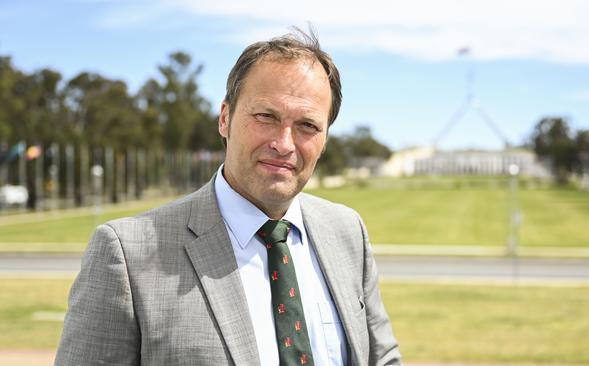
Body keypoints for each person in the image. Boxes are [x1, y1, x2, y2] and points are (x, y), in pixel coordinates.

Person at [55, 27, 401, 366]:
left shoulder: (347, 232)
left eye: (307, 126)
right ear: (225, 118)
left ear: (325, 138)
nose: (284, 144)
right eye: (266, 116)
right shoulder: (126, 255)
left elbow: (381, 359)